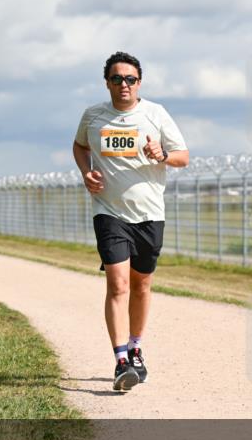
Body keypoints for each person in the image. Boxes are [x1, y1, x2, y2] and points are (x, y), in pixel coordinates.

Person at [72, 51, 189, 392]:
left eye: (131, 79)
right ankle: (121, 360)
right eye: (117, 79)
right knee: (118, 285)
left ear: (139, 83)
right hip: (109, 212)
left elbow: (183, 156)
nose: (124, 85)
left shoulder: (156, 114)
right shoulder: (93, 116)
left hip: (150, 214)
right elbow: (80, 146)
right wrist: (86, 172)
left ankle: (136, 347)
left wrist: (162, 155)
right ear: (107, 82)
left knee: (141, 286)